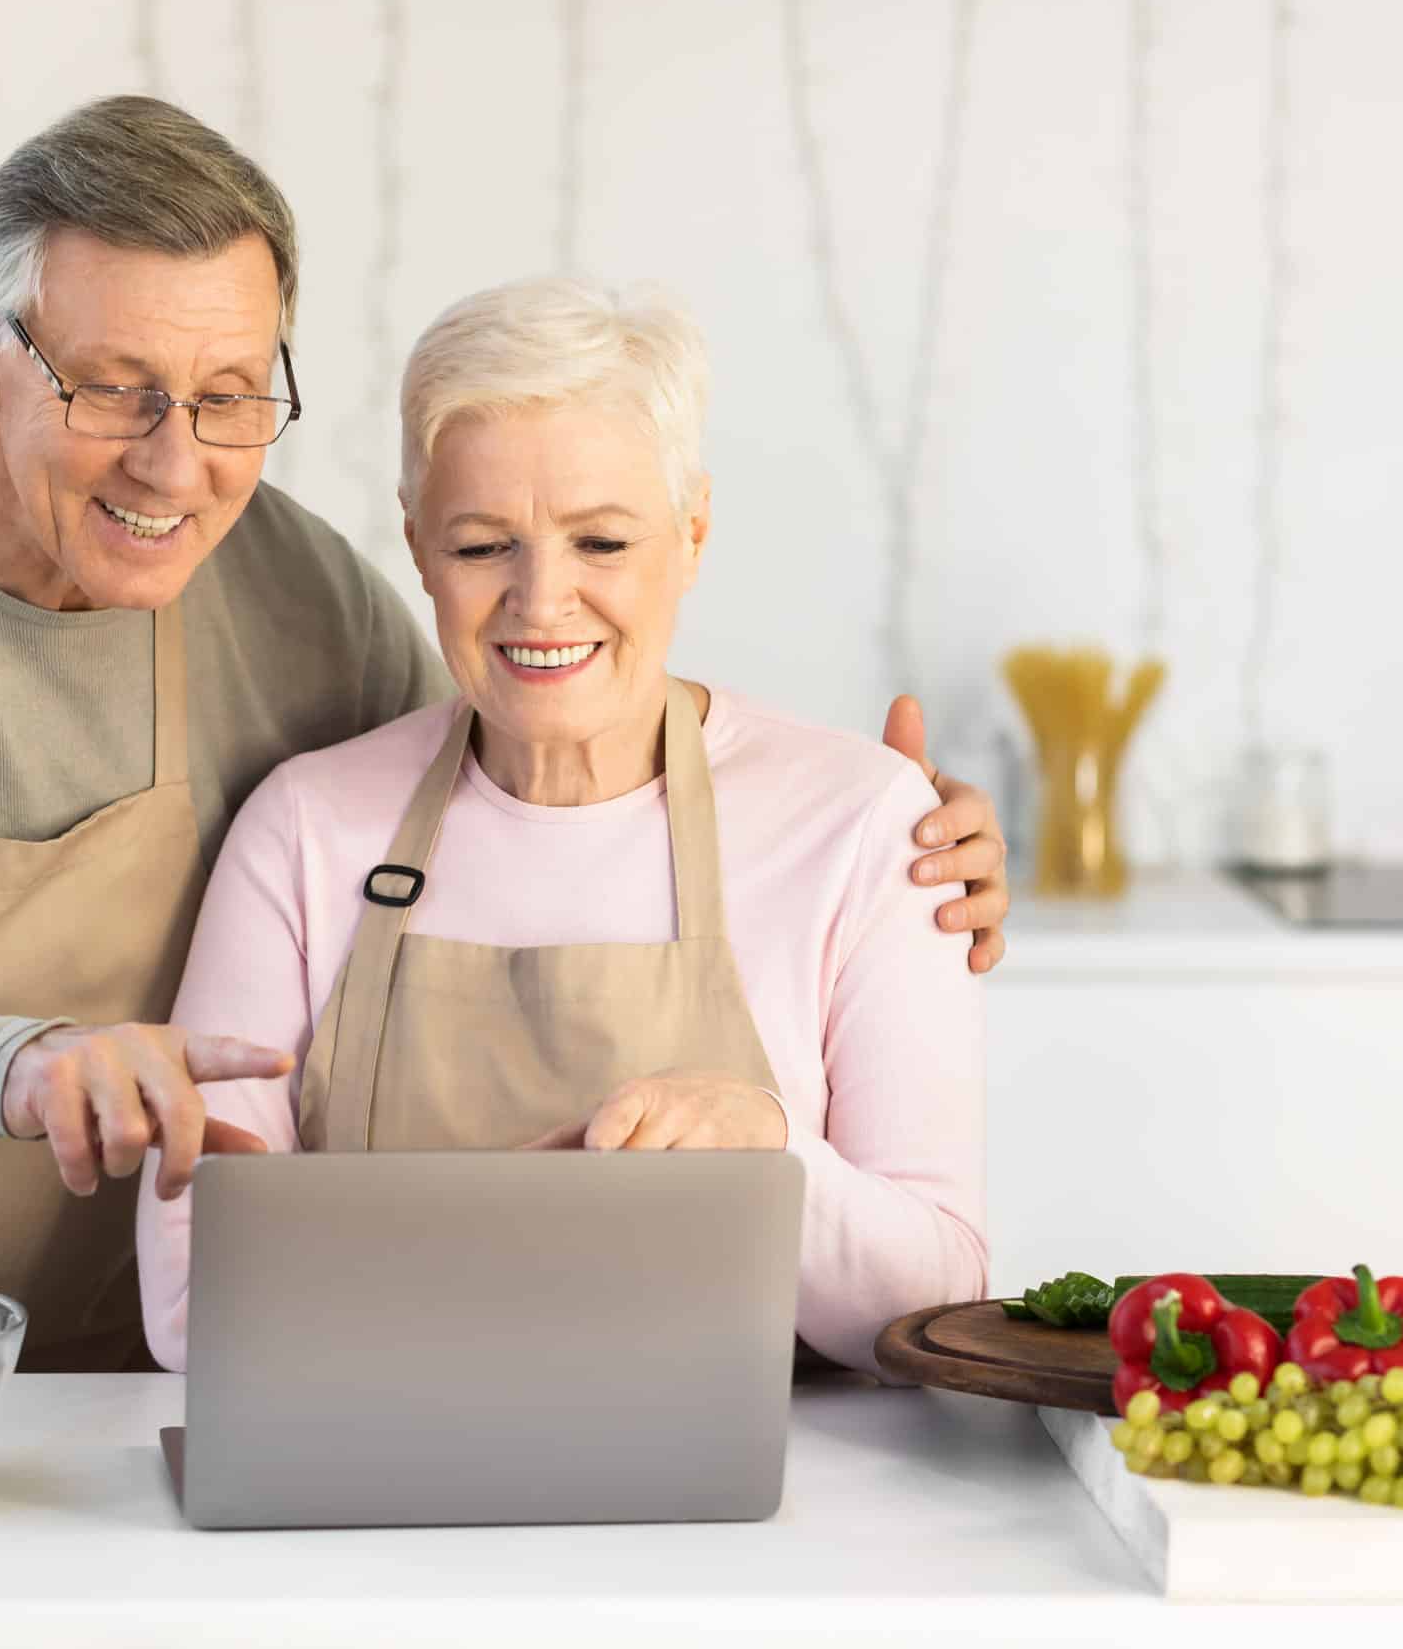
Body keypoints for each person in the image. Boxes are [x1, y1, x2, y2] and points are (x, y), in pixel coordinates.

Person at [0, 97, 1009, 1375]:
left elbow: (533, 735)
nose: (178, 463)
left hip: (85, 1389)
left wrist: (897, 839)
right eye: (116, 389)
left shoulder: (294, 593)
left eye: (235, 395)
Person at [137, 278, 987, 1375]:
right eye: (483, 546)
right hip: (375, 1482)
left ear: (692, 534)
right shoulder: (304, 830)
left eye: (600, 543)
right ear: (416, 546)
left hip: (780, 1507)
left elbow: (940, 1306)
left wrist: (770, 1158)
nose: (541, 603)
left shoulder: (863, 823)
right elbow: (199, 1295)